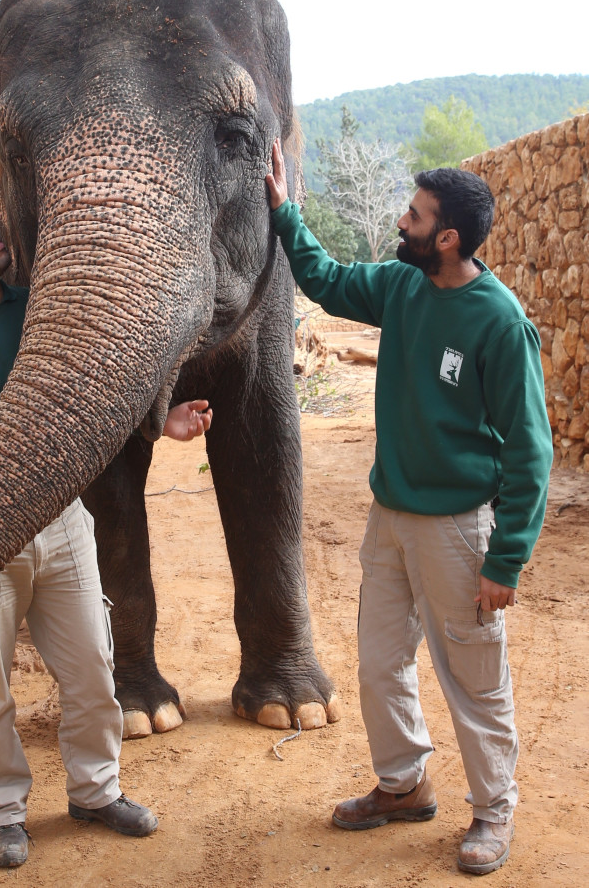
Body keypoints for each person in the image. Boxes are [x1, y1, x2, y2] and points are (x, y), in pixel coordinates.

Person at [265, 140, 552, 876]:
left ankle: (494, 811)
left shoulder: (499, 321)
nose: (402, 220)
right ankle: (404, 785)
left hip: (459, 531)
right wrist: (284, 212)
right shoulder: (401, 284)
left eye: (415, 214)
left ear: (446, 236)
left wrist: (507, 556)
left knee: (473, 680)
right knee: (378, 663)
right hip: (389, 518)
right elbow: (327, 281)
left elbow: (529, 451)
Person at [0, 202, 213, 869]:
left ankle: (97, 792)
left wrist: (160, 422)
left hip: (66, 524)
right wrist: (29, 431)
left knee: (95, 672)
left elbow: (90, 398)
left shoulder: (38, 309)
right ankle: (5, 815)